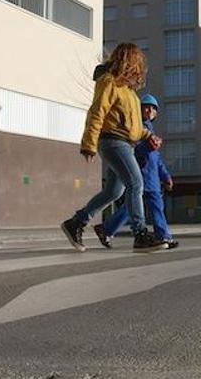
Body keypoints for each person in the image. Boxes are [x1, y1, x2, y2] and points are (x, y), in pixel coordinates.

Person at [60, 43, 167, 252]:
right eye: (137, 64)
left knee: (114, 192)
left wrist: (149, 136)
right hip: (112, 142)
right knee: (136, 183)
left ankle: (76, 222)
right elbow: (97, 112)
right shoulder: (108, 82)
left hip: (125, 143)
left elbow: (134, 127)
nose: (140, 69)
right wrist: (89, 144)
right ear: (128, 63)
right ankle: (140, 234)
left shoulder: (130, 93)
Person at [94, 94, 179, 249]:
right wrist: (149, 145)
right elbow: (133, 149)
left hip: (152, 178)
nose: (149, 110)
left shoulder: (150, 129)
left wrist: (165, 176)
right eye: (146, 107)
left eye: (153, 108)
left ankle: (106, 228)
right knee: (135, 208)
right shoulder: (135, 128)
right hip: (139, 174)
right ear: (138, 109)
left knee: (138, 208)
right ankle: (163, 236)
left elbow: (156, 158)